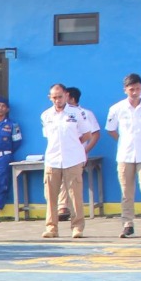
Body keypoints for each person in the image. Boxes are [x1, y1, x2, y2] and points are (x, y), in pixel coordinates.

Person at [105, 73, 141, 239]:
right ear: (125, 90)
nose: (135, 92)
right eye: (131, 89)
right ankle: (127, 224)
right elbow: (111, 129)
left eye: (138, 88)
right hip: (125, 155)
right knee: (126, 192)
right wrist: (123, 140)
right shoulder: (117, 108)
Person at [40, 84, 92, 239]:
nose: (57, 100)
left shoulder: (77, 113)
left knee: (75, 196)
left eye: (60, 97)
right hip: (53, 159)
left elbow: (87, 134)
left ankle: (77, 227)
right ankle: (51, 228)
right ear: (50, 97)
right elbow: (48, 136)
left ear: (66, 95)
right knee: (51, 196)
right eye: (54, 97)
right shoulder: (46, 115)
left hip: (73, 159)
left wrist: (75, 145)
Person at [63, 86, 102, 219]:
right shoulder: (57, 113)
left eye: (64, 96)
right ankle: (63, 208)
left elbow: (95, 134)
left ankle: (71, 212)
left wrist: (84, 150)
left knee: (74, 183)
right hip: (61, 154)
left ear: (71, 98)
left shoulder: (85, 113)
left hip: (77, 155)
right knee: (61, 181)